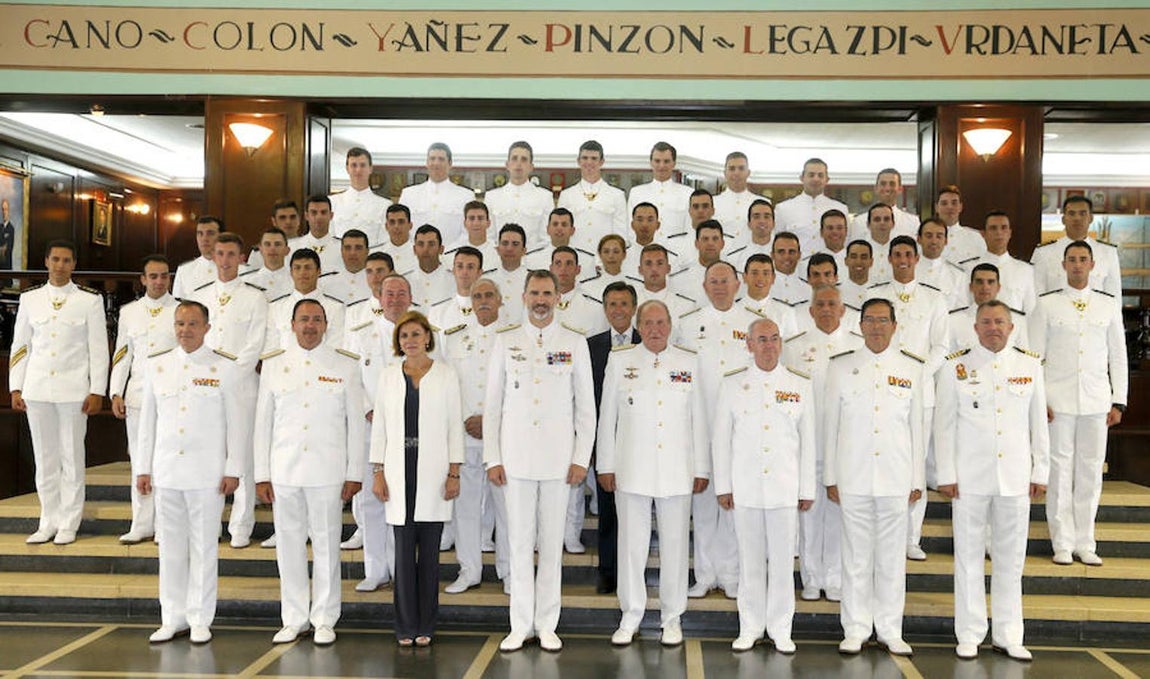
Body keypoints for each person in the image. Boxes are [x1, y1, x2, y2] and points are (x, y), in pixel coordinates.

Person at [484, 270, 595, 653]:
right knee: (517, 544)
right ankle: (520, 625)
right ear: (524, 296)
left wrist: (581, 458)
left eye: (548, 292)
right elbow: (492, 406)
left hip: (559, 462)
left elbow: (586, 409)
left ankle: (547, 623)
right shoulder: (506, 340)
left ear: (559, 296)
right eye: (535, 293)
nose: (541, 299)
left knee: (550, 546)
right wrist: (492, 458)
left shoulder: (574, 342)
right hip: (514, 460)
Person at [935, 300, 1049, 662]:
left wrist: (1040, 471)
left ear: (1011, 327)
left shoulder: (1030, 365)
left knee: (1011, 560)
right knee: (967, 558)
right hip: (969, 479)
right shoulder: (956, 367)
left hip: (1015, 477)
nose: (993, 327)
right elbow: (944, 425)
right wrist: (947, 474)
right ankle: (969, 633)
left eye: (1000, 322)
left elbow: (1038, 425)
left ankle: (1009, 634)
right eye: (986, 322)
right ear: (976, 327)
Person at [598, 299, 708, 647]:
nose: (655, 329)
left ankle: (672, 617)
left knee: (675, 547)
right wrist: (605, 464)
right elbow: (607, 418)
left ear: (670, 324)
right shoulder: (620, 360)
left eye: (661, 323)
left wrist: (701, 466)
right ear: (638, 325)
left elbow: (699, 419)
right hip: (631, 469)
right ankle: (630, 615)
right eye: (649, 323)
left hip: (677, 470)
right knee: (631, 546)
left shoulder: (688, 361)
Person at [135, 301, 246, 645]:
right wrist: (143, 468)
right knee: (170, 548)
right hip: (167, 471)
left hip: (207, 474)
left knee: (203, 548)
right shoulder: (158, 365)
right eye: (180, 323)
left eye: (193, 324)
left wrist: (234, 469)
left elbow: (236, 425)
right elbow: (147, 423)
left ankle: (199, 618)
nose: (185, 330)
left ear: (207, 328)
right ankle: (172, 616)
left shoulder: (224, 367)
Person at [255, 299, 365, 646]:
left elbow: (356, 425)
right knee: (288, 547)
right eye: (304, 319)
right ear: (292, 324)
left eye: (317, 320)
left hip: (327, 471)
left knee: (327, 546)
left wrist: (354, 472)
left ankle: (324, 617)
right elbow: (263, 424)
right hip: (284, 470)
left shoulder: (345, 365)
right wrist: (261, 473)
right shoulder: (274, 366)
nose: (310, 325)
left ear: (326, 325)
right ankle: (293, 617)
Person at [824, 298, 925, 656]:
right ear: (860, 324)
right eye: (870, 320)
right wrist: (830, 476)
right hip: (853, 477)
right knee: (854, 557)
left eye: (883, 320)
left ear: (895, 326)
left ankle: (889, 629)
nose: (877, 327)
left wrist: (916, 479)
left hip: (896, 478)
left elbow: (917, 428)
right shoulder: (841, 368)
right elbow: (830, 426)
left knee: (891, 558)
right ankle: (855, 627)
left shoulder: (912, 368)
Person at [714, 318, 815, 654]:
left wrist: (806, 489)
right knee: (751, 562)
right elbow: (721, 440)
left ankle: (781, 628)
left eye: (774, 339)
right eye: (762, 339)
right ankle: (751, 626)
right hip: (745, 488)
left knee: (784, 564)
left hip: (784, 489)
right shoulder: (732, 385)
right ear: (749, 344)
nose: (769, 345)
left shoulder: (799, 383)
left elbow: (808, 441)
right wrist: (724, 486)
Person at [1029, 240, 1127, 566]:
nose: (1077, 265)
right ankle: (1061, 542)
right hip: (1057, 401)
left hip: (1097, 401)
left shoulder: (1108, 304)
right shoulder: (1047, 305)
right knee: (1058, 473)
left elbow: (1118, 355)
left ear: (1092, 265)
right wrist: (1037, 399)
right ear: (1063, 265)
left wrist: (1119, 401)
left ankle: (1086, 541)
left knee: (1089, 473)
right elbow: (1034, 358)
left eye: (1083, 260)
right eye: (1072, 260)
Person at [371, 310, 465, 646]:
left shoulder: (445, 375)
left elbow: (455, 425)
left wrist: (454, 472)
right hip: (397, 472)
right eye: (404, 336)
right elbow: (379, 426)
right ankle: (405, 626)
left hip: (434, 474)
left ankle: (426, 625)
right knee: (402, 556)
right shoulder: (387, 376)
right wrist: (378, 471)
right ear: (398, 342)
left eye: (416, 334)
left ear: (428, 337)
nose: (410, 341)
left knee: (429, 557)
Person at [10, 240, 109, 545]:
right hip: (37, 388)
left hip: (73, 390)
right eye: (55, 259)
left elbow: (98, 350)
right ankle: (47, 519)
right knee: (45, 458)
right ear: (46, 261)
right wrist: (16, 385)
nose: (60, 265)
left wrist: (97, 390)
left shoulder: (89, 301)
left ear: (74, 265)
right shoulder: (31, 299)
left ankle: (69, 521)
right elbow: (21, 346)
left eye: (66, 260)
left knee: (71, 457)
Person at [679, 261, 759, 599]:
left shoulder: (752, 322)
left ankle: (730, 573)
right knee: (703, 503)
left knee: (732, 502)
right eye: (713, 281)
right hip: (699, 424)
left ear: (738, 284)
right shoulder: (688, 324)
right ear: (704, 285)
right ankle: (704, 574)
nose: (720, 287)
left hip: (742, 427)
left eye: (725, 281)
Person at [782, 284, 864, 603]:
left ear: (843, 310)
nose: (827, 309)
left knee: (838, 515)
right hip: (806, 445)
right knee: (809, 515)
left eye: (833, 303)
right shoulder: (794, 348)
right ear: (811, 310)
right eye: (821, 304)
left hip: (845, 447)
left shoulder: (857, 346)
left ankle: (833, 577)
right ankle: (812, 577)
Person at [188, 232, 268, 549]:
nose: (224, 260)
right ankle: (210, 523)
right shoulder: (200, 297)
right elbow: (193, 339)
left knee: (242, 456)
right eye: (219, 254)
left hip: (242, 385)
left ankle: (241, 526)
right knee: (210, 456)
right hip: (204, 386)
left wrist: (230, 374)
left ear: (241, 257)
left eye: (231, 254)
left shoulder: (255, 297)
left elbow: (255, 343)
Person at [439, 278, 512, 595]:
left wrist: (492, 422)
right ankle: (469, 570)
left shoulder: (513, 338)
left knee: (508, 510)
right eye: (477, 295)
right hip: (464, 437)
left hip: (503, 439)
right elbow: (446, 389)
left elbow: (520, 390)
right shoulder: (453, 339)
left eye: (489, 295)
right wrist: (465, 422)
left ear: (500, 300)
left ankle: (510, 572)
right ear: (469, 301)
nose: (483, 300)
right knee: (465, 509)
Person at [343, 274, 414, 591]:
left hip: (409, 431)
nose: (395, 299)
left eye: (401, 293)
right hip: (370, 429)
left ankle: (401, 568)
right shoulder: (360, 335)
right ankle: (375, 569)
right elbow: (350, 379)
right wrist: (369, 408)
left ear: (410, 298)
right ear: (379, 296)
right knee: (372, 501)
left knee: (403, 502)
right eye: (389, 293)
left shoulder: (421, 334)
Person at [109, 255, 179, 544]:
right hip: (137, 394)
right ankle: (141, 522)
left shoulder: (181, 309)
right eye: (153, 276)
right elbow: (122, 354)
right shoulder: (129, 312)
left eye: (164, 276)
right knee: (140, 460)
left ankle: (165, 524)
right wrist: (116, 390)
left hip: (170, 396)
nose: (159, 281)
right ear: (143, 279)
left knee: (165, 460)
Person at [585, 281, 641, 596]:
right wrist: (591, 445)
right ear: (605, 309)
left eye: (623, 304)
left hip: (639, 444)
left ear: (633, 309)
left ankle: (634, 571)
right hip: (605, 442)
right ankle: (608, 572)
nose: (618, 310)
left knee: (636, 513)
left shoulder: (649, 342)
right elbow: (586, 398)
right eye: (612, 304)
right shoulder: (590, 346)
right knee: (608, 511)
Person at [1031, 195, 1121, 301]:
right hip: (1057, 316)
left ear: (1091, 218)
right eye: (1071, 213)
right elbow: (1035, 296)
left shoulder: (1108, 252)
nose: (1077, 218)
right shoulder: (1043, 253)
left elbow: (1115, 297)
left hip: (1095, 316)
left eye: (1083, 213)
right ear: (1063, 219)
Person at [264, 248, 346, 354]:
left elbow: (336, 348)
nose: (302, 273)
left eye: (308, 267)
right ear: (291, 272)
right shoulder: (276, 308)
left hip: (323, 368)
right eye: (297, 268)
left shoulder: (335, 308)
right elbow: (271, 349)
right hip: (285, 368)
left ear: (319, 271)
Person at [558, 140, 628, 254]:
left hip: (605, 260)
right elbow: (561, 233)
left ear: (602, 162)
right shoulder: (566, 195)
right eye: (585, 158)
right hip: (575, 260)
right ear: (578, 161)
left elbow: (621, 234)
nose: (589, 162)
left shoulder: (617, 195)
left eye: (594, 158)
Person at [399, 142, 474, 246]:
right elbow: (400, 230)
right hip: (415, 258)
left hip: (451, 258)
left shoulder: (466, 196)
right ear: (427, 162)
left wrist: (447, 254)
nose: (436, 163)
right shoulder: (409, 194)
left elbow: (468, 233)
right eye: (432, 158)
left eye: (441, 159)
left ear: (450, 163)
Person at [964, 211, 1038, 314]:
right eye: (993, 228)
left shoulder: (1026, 270)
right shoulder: (967, 269)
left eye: (1004, 228)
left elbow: (1031, 312)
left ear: (1010, 233)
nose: (999, 232)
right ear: (983, 234)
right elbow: (964, 309)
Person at [773, 158, 849, 257]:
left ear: (827, 180)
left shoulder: (841, 208)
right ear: (802, 178)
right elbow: (777, 243)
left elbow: (846, 242)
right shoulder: (783, 209)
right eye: (811, 175)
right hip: (795, 269)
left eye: (820, 175)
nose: (816, 179)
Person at [485, 141, 554, 246]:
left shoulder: (545, 197)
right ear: (507, 165)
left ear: (531, 167)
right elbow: (489, 236)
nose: (518, 163)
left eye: (524, 159)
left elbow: (546, 237)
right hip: (500, 259)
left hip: (532, 258)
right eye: (514, 158)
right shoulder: (492, 197)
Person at [948, 263, 1029, 351]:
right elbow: (946, 358)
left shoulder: (1017, 320)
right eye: (979, 282)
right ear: (971, 287)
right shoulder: (953, 320)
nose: (985, 287)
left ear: (998, 287)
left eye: (991, 282)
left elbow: (1023, 358)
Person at [627, 141, 694, 236]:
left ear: (674, 163)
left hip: (676, 249)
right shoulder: (637, 193)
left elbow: (690, 229)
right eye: (657, 161)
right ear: (651, 163)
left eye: (666, 161)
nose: (661, 166)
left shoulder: (688, 193)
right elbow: (631, 229)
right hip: (645, 249)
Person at [329, 147, 391, 244]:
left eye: (362, 165)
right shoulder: (333, 202)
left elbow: (384, 242)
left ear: (370, 169)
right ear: (347, 169)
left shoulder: (384, 205)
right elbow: (329, 239)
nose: (358, 170)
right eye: (353, 165)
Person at [848, 169, 918, 240]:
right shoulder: (859, 222)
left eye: (892, 184)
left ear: (900, 189)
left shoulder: (913, 222)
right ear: (876, 188)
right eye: (883, 184)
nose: (887, 188)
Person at [915, 217, 967, 310]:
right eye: (928, 236)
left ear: (946, 241)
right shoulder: (906, 271)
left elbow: (960, 312)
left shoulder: (958, 275)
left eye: (939, 236)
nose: (934, 241)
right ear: (919, 239)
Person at [933, 185, 987, 266]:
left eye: (954, 203)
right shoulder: (926, 238)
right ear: (936, 208)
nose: (950, 207)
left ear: (960, 207)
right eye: (944, 203)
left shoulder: (976, 237)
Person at [319, 228, 374, 306]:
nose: (352, 253)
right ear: (341, 251)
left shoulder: (378, 283)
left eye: (358, 248)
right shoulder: (323, 283)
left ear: (367, 251)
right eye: (348, 248)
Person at [490, 223, 530, 324]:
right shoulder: (486, 279)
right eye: (505, 243)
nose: (509, 248)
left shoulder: (534, 280)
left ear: (524, 251)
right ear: (498, 249)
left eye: (515, 244)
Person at [290, 195, 342, 273]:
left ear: (331, 216)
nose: (319, 217)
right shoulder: (292, 247)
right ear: (306, 216)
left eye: (323, 212)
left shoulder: (342, 248)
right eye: (314, 212)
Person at [172, 216, 221, 299]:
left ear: (221, 236)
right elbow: (178, 306)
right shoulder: (184, 270)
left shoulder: (238, 269)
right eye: (200, 233)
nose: (204, 238)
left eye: (210, 233)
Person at [713, 151, 754, 250]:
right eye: (732, 169)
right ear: (725, 173)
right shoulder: (712, 203)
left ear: (748, 173)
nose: (736, 173)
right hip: (722, 259)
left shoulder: (762, 203)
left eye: (741, 168)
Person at [241, 226, 293, 302]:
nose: (272, 248)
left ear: (287, 250)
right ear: (260, 250)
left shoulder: (297, 281)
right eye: (267, 244)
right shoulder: (247, 282)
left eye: (277, 244)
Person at [408, 224, 455, 307]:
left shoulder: (455, 280)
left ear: (441, 249)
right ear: (414, 250)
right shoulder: (406, 281)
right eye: (421, 244)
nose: (425, 249)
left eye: (431, 244)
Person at [377, 204, 419, 275]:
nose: (396, 226)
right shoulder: (377, 253)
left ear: (410, 225)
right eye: (392, 222)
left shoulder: (422, 253)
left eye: (401, 222)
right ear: (386, 226)